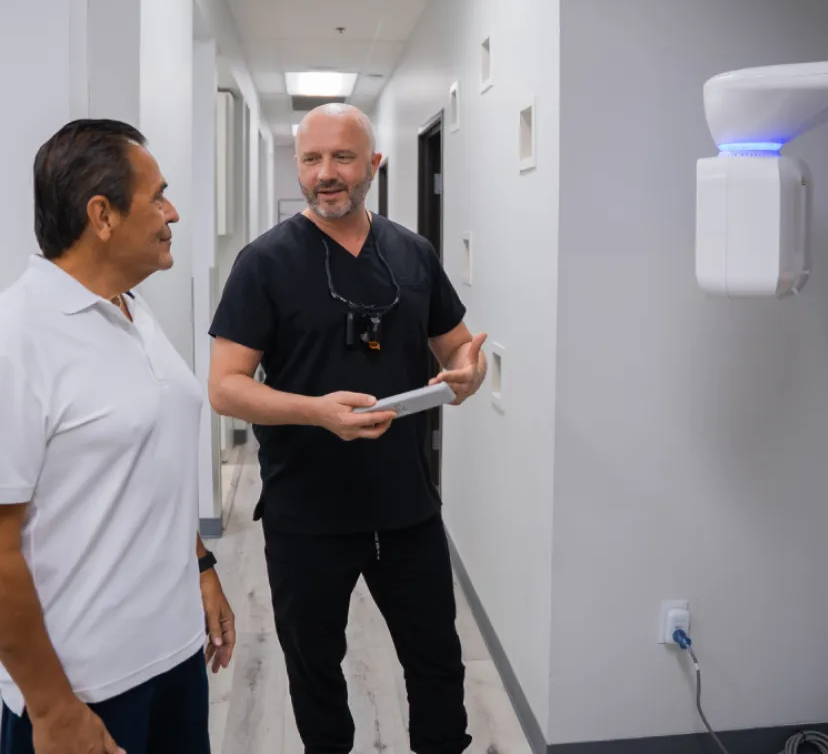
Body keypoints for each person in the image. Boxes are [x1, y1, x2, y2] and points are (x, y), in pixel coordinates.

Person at [208, 103, 487, 754]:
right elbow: (226, 387)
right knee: (316, 678)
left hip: (406, 509)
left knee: (439, 671)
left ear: (374, 165)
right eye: (310, 159)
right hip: (307, 514)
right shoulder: (265, 262)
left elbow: (458, 348)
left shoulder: (413, 253)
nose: (325, 174)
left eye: (341, 158)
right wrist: (316, 411)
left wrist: (467, 374)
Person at [0, 120, 235, 754]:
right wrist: (52, 711)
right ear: (102, 215)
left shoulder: (131, 308)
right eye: (158, 196)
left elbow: (144, 466)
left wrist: (201, 566)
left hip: (175, 656)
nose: (173, 212)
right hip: (85, 690)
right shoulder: (16, 338)